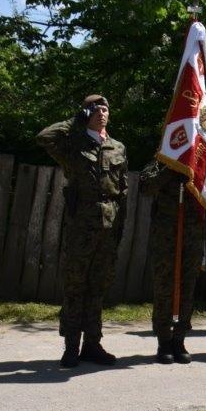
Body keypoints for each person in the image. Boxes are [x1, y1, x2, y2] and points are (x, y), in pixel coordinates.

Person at [36, 95, 128, 368]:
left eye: (105, 109)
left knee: (98, 287)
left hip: (108, 229)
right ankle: (71, 347)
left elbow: (122, 190)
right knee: (75, 287)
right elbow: (44, 137)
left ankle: (92, 344)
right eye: (95, 109)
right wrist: (74, 120)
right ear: (86, 113)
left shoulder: (117, 147)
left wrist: (120, 227)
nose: (102, 113)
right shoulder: (73, 144)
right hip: (81, 229)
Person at [140, 159, 203, 364]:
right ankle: (164, 340)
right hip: (166, 237)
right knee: (164, 288)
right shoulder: (160, 162)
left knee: (187, 289)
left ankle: (179, 339)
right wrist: (171, 169)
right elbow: (146, 187)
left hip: (192, 235)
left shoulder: (200, 161)